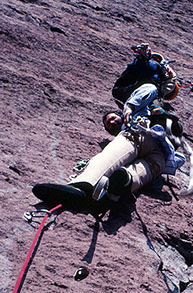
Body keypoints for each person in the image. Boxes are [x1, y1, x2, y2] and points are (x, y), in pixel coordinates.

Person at [32, 84, 185, 212]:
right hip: (143, 147)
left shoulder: (137, 111)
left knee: (134, 165)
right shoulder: (120, 137)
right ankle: (89, 188)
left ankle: (102, 186)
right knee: (117, 163)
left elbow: (150, 88)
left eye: (112, 118)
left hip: (150, 146)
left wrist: (130, 106)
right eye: (108, 125)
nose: (111, 122)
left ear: (120, 115)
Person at [112, 43, 178, 104]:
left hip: (142, 79)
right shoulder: (165, 85)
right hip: (144, 79)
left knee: (118, 91)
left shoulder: (167, 81)